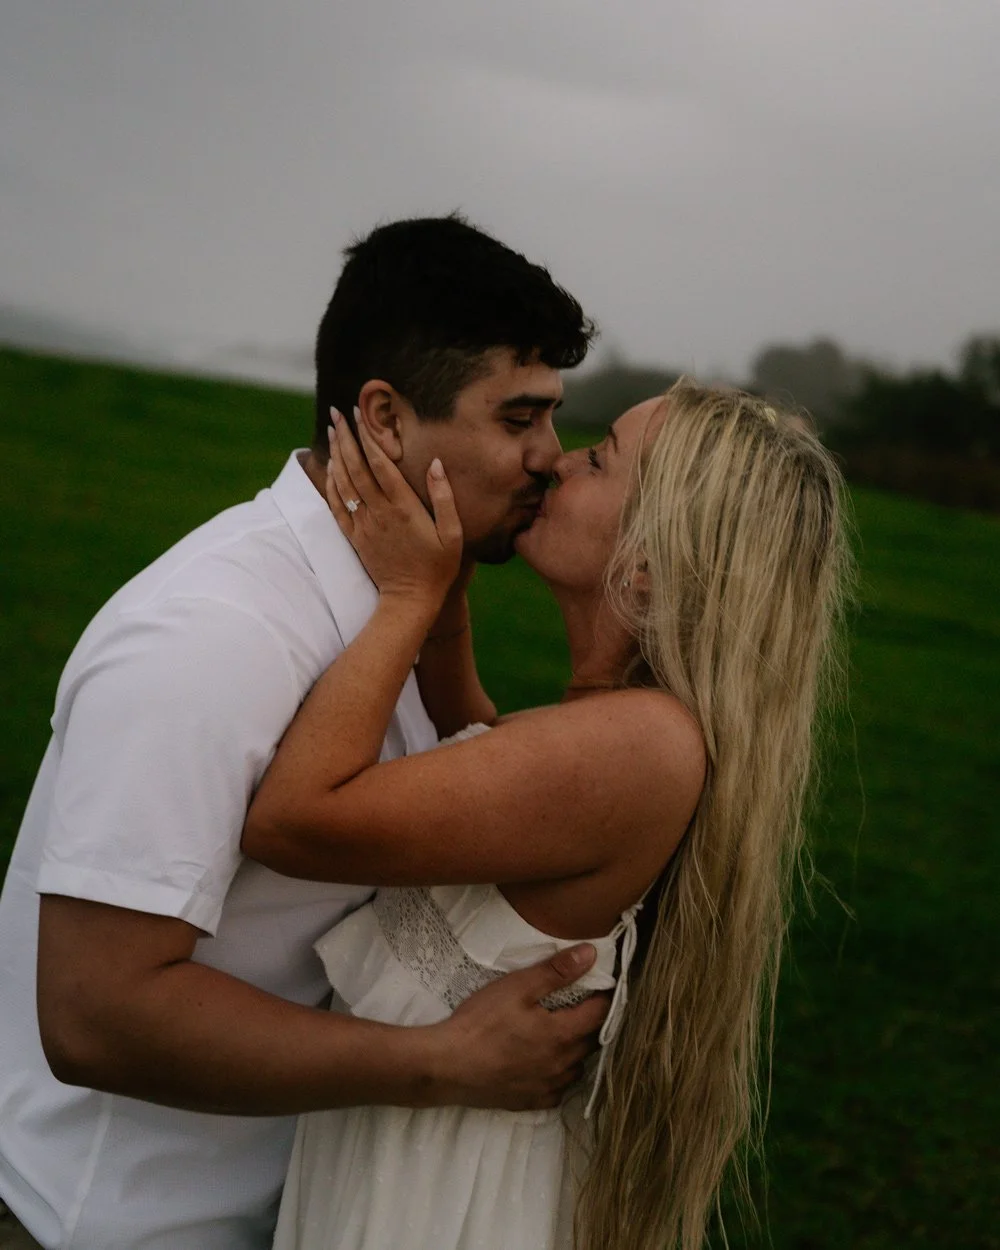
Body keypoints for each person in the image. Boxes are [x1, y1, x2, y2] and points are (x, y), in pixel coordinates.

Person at [0, 215, 608, 1250]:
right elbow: (94, 1011)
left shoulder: (397, 601)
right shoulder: (213, 633)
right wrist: (443, 1063)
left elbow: (472, 796)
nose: (549, 458)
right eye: (518, 418)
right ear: (382, 417)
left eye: (554, 416)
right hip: (96, 1222)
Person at [241, 380, 852, 1250]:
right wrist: (446, 601)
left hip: (446, 1198)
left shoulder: (640, 746)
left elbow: (294, 821)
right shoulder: (623, 726)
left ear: (645, 562)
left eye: (598, 459)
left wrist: (406, 601)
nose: (555, 462)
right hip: (423, 1159)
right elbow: (480, 759)